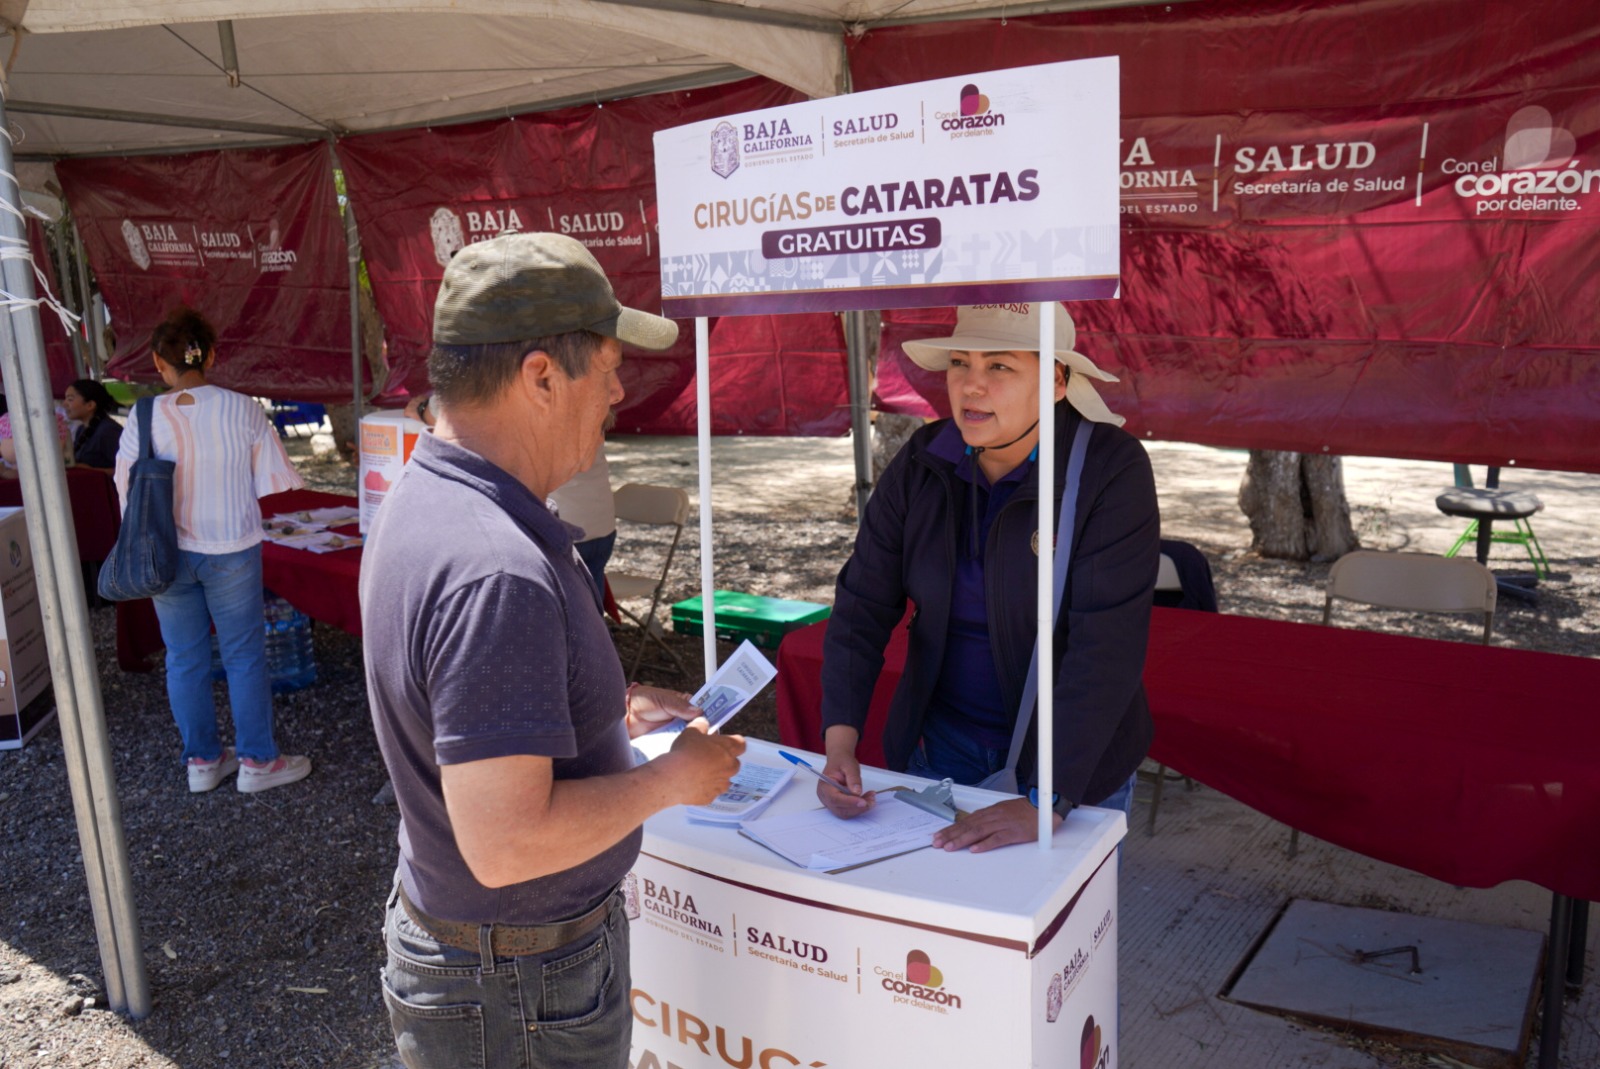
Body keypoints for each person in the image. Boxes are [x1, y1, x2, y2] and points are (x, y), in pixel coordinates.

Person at [362, 232, 744, 1069]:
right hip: (517, 986)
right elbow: (507, 842)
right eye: (607, 366)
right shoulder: (493, 567)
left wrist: (606, 709)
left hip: (493, 962)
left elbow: (462, 706)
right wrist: (671, 781)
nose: (618, 391)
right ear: (540, 376)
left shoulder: (433, 495)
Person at [817, 302, 1160, 853]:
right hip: (940, 752)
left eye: (999, 366)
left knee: (1056, 909)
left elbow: (1105, 647)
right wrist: (839, 744)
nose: (971, 385)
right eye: (960, 363)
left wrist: (1048, 799)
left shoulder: (1108, 469)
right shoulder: (924, 459)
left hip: (1073, 771)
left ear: (1055, 381)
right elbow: (862, 605)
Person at [115, 306, 312, 794]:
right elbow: (272, 482)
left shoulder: (142, 416)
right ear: (211, 356)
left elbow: (124, 487)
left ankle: (202, 761)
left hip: (164, 551)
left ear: (159, 362)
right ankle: (258, 762)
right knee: (244, 656)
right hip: (232, 547)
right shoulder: (244, 408)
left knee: (184, 657)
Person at [408, 391, 619, 600]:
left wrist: (422, 408)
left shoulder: (514, 384)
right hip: (597, 520)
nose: (618, 392)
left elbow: (452, 415)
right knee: (588, 612)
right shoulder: (584, 381)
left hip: (554, 529)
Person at [63, 378, 124, 471]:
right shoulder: (81, 429)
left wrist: (91, 470)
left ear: (90, 405)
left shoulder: (108, 431)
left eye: (70, 399)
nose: (64, 404)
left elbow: (127, 470)